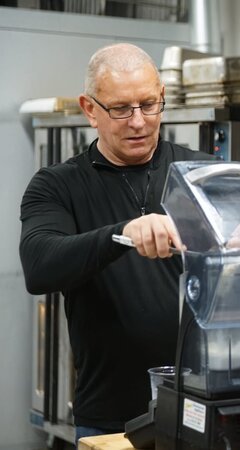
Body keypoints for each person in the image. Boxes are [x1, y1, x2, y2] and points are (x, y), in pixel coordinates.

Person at [19, 43, 214, 442]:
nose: (138, 122)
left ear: (162, 98)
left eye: (149, 105)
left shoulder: (202, 173)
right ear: (90, 109)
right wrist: (123, 234)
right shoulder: (58, 185)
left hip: (202, 407)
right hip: (109, 419)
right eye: (121, 109)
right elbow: (39, 267)